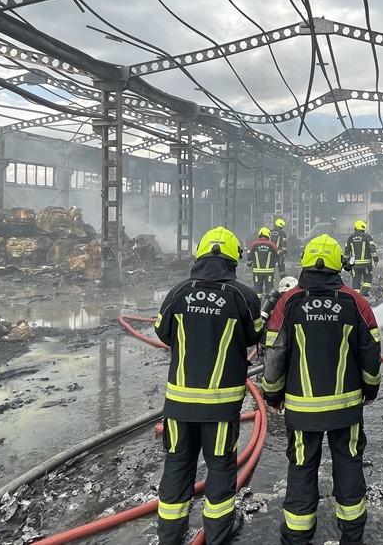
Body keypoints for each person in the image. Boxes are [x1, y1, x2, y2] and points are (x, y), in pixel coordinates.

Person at [262, 235, 382, 545]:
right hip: (346, 409)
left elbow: (274, 353)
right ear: (337, 264)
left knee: (301, 469)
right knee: (349, 467)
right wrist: (371, 390)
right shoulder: (356, 302)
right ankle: (352, 537)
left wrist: (272, 395)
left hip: (302, 411)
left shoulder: (288, 303)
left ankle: (298, 537)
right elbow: (371, 351)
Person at [154, 227, 263, 545]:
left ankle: (170, 538)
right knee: (220, 471)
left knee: (176, 468)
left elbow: (162, 333)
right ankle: (217, 537)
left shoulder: (178, 292)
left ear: (200, 255)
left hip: (179, 407)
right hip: (220, 408)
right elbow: (254, 336)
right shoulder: (243, 296)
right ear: (233, 259)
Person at [344, 220, 378, 297]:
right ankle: (364, 292)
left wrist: (346, 262)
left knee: (356, 279)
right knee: (368, 277)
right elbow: (372, 248)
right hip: (366, 264)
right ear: (363, 228)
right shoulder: (367, 237)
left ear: (355, 228)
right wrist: (375, 258)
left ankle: (356, 295)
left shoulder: (350, 238)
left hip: (355, 265)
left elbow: (346, 251)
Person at [247, 227, 280, 298]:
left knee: (258, 290)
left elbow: (249, 257)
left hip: (257, 272)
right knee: (269, 289)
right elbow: (277, 256)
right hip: (269, 272)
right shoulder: (272, 245)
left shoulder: (254, 245)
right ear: (268, 235)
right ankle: (268, 305)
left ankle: (258, 304)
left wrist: (249, 264)